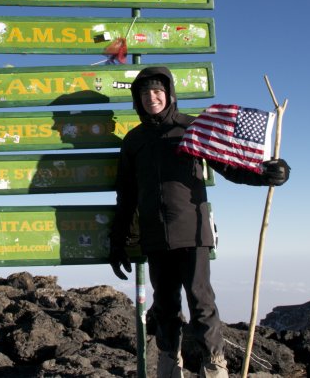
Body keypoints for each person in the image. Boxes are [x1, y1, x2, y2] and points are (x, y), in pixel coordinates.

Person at [109, 66, 290, 378]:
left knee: (201, 303)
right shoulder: (134, 140)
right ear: (137, 99)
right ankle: (169, 366)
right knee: (164, 306)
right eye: (144, 93)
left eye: (157, 91)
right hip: (154, 236)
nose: (152, 97)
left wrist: (266, 175)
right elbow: (126, 195)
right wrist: (118, 240)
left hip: (192, 231)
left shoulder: (192, 128)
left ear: (169, 94)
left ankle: (215, 366)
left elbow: (229, 166)